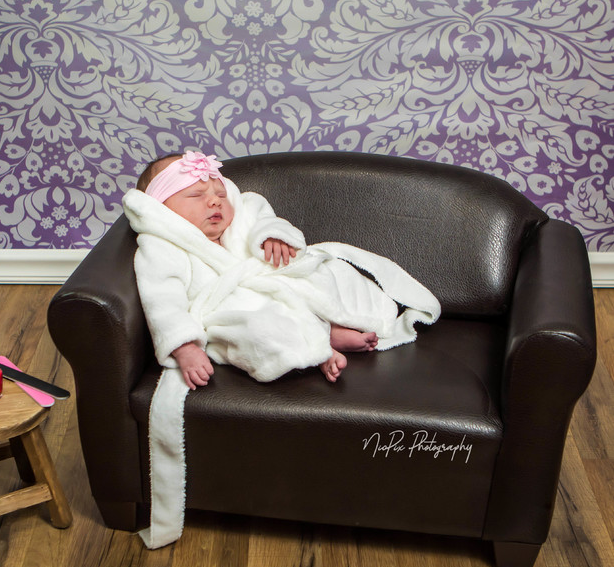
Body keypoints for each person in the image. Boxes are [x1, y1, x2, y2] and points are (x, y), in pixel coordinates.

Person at [124, 151, 439, 390]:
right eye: (195, 195)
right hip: (230, 306)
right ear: (160, 209)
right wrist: (184, 347)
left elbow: (266, 219)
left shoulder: (243, 212)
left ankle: (332, 325)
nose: (214, 203)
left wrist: (274, 236)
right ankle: (318, 348)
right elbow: (163, 301)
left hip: (273, 278)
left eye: (220, 194)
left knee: (327, 274)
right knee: (260, 328)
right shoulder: (161, 247)